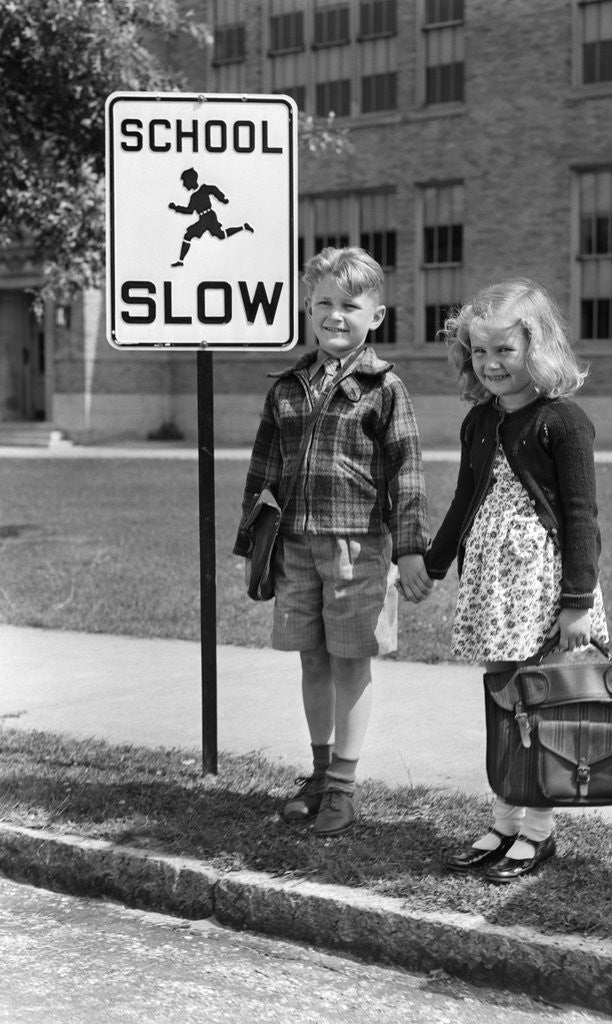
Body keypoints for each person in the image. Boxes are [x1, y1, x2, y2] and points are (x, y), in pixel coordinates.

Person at [233, 246, 432, 837]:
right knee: (312, 659)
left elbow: (408, 470)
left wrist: (410, 546)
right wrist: (252, 544)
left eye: (351, 305)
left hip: (358, 549)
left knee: (350, 661)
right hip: (295, 547)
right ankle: (318, 773)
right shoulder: (288, 387)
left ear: (376, 315)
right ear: (306, 307)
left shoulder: (384, 387)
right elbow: (262, 468)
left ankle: (344, 786)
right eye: (323, 303)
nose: (335, 315)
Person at [424, 279, 609, 883]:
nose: (491, 364)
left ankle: (538, 832)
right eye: (480, 352)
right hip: (492, 590)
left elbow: (582, 516)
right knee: (504, 706)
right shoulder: (480, 421)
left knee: (541, 707)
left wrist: (576, 602)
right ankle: (503, 821)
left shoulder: (563, 421)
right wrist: (428, 563)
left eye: (505, 350)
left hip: (543, 588)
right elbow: (463, 502)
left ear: (538, 347)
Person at [168, 167, 253, 267]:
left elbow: (213, 189)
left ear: (191, 180)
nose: (184, 184)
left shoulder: (203, 189)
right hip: (203, 218)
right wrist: (176, 208)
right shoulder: (194, 196)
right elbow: (189, 211)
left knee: (218, 235)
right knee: (193, 235)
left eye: (185, 181)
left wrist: (222, 198)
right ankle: (180, 261)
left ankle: (243, 227)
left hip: (209, 217)